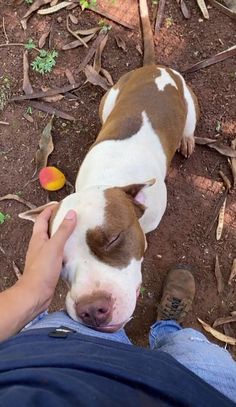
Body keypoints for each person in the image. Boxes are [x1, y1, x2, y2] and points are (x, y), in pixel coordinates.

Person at [0, 208, 235, 406]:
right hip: (201, 394)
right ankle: (167, 327)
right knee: (191, 348)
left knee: (76, 324)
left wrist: (32, 292)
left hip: (45, 356)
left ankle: (165, 328)